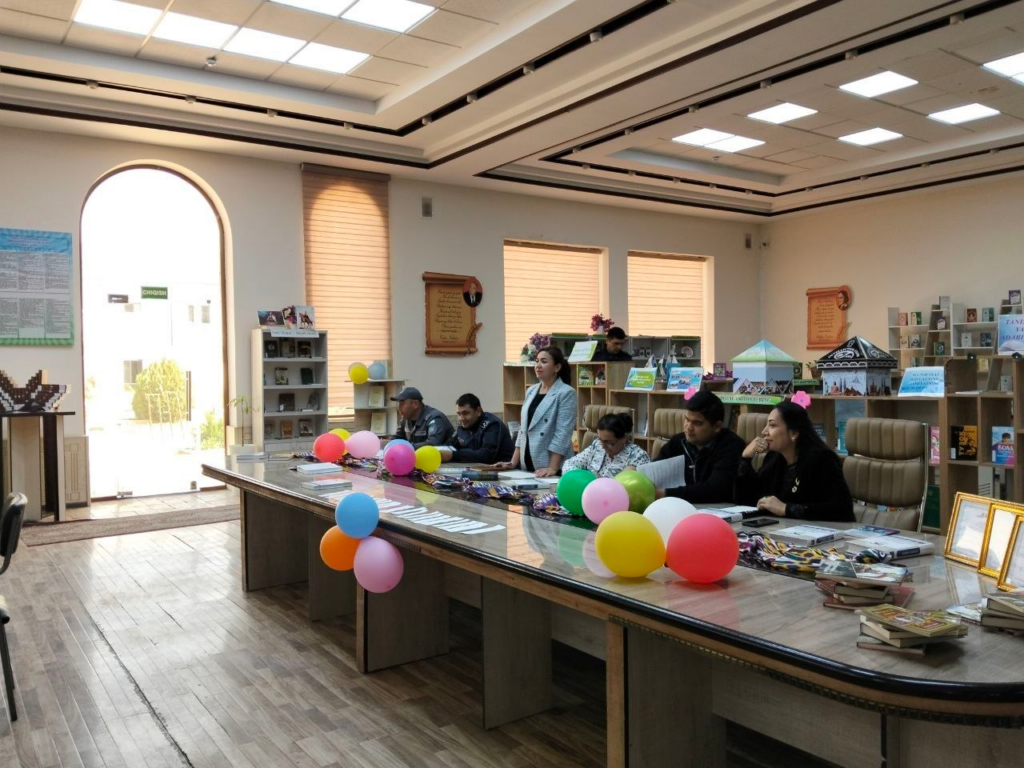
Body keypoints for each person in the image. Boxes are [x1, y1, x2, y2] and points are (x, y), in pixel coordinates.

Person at [734, 401, 854, 522]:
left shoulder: (822, 459)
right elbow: (748, 500)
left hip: (820, 530)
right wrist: (745, 458)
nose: (764, 431)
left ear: (794, 433)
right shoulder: (774, 457)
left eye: (772, 425)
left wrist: (786, 509)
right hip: (781, 528)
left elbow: (842, 509)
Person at [492, 346, 577, 477]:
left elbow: (563, 434)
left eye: (544, 361)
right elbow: (523, 430)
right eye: (537, 361)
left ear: (557, 367)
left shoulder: (566, 392)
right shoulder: (531, 390)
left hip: (552, 465)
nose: (538, 365)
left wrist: (552, 467)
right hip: (527, 463)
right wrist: (512, 463)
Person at [654, 390, 744, 502]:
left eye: (697, 423)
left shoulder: (732, 445)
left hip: (719, 508)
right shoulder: (679, 441)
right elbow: (656, 469)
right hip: (680, 505)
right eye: (687, 420)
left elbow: (715, 489)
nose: (689, 427)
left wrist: (666, 493)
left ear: (717, 426)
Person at [562, 412, 650, 478]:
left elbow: (625, 486)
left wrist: (598, 480)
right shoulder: (597, 445)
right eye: (600, 439)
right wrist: (584, 477)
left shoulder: (638, 456)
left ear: (624, 438)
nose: (603, 446)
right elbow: (569, 464)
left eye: (609, 442)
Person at [440, 393, 514, 464]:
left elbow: (486, 455)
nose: (461, 418)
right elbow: (450, 444)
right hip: (476, 468)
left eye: (465, 413)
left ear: (478, 411)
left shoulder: (492, 425)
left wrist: (453, 455)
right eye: (459, 414)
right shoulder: (463, 425)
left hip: (503, 469)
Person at [391, 387, 456, 449]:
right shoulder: (406, 419)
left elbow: (432, 445)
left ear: (415, 404)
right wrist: (388, 444)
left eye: (402, 403)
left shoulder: (434, 418)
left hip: (444, 456)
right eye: (398, 404)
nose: (398, 408)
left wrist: (407, 446)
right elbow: (396, 439)